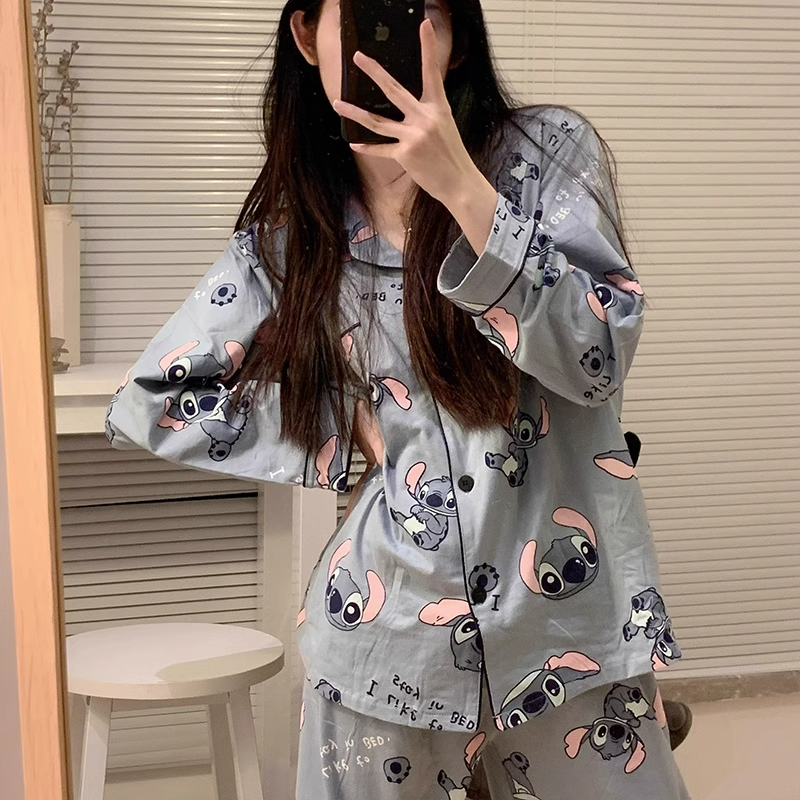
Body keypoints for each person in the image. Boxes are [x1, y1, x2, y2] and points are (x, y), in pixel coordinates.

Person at [104, 0, 692, 797]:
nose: (394, 39)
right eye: (367, 9)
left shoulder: (546, 156)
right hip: (386, 640)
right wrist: (344, 421)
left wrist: (463, 190)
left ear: (458, 38)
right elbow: (155, 399)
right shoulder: (297, 238)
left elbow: (600, 358)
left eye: (424, 10)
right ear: (307, 33)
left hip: (571, 629)